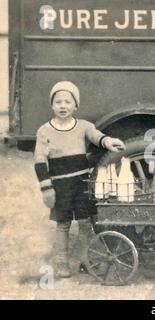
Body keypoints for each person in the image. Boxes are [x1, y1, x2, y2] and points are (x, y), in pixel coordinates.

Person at [34, 81, 126, 278]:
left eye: (68, 101)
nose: (63, 106)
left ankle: (85, 259)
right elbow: (40, 161)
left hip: (82, 183)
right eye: (58, 102)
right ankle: (61, 262)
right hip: (60, 187)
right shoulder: (44, 131)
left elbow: (97, 137)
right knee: (63, 224)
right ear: (52, 105)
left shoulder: (83, 126)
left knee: (85, 223)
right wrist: (46, 188)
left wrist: (109, 141)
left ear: (75, 106)